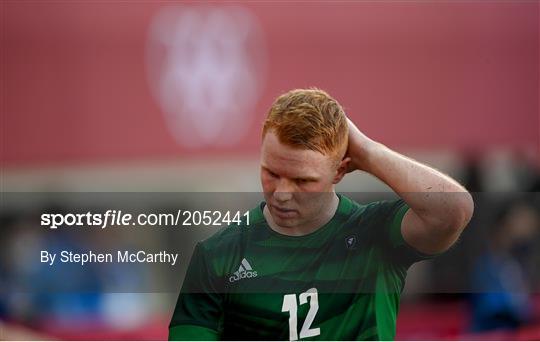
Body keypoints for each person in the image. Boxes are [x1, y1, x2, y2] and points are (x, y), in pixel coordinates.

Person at [169, 88, 474, 340]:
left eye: (303, 180)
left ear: (340, 170)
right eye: (271, 172)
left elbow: (452, 212)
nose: (282, 192)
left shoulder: (374, 235)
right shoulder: (217, 256)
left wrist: (367, 152)